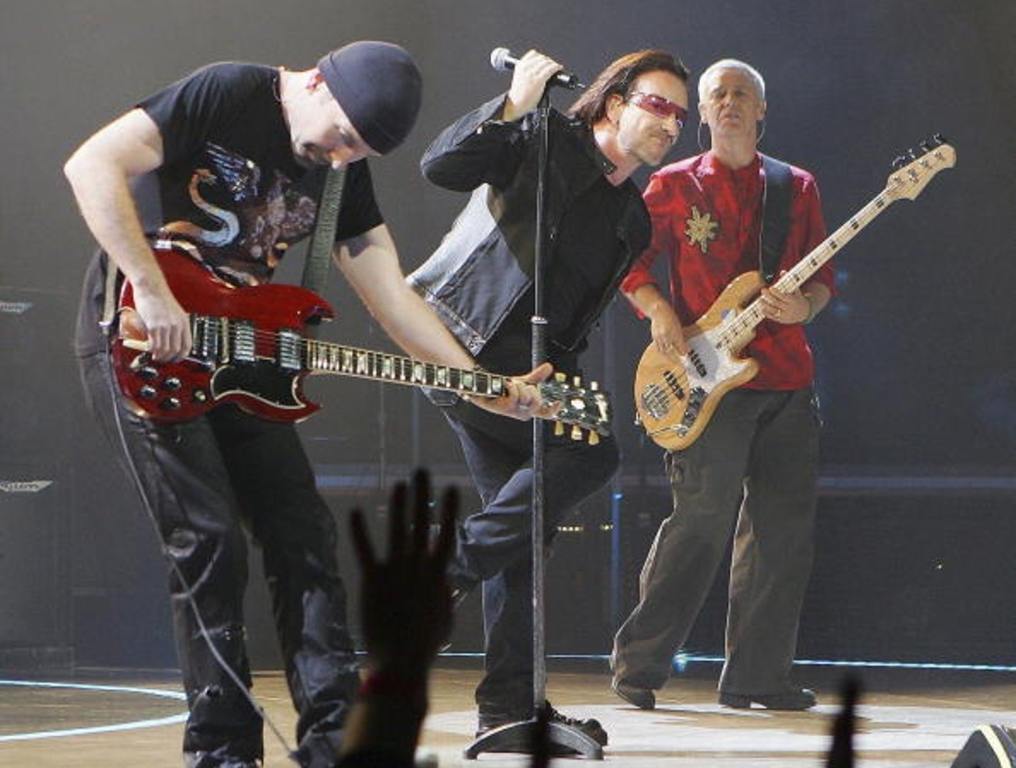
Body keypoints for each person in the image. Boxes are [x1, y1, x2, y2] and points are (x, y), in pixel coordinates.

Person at [65, 41, 542, 768]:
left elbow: (391, 296)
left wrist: (481, 383)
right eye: (345, 135)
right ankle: (221, 750)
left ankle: (339, 741)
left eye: (362, 149)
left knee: (305, 537)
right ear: (317, 82)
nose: (345, 156)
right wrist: (152, 287)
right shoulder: (227, 93)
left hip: (244, 361)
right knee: (208, 539)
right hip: (140, 340)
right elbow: (91, 164)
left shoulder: (342, 172)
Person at [409, 48, 690, 745]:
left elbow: (573, 319)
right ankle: (452, 568)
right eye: (656, 105)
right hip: (461, 346)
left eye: (679, 117)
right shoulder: (542, 136)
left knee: (527, 536)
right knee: (594, 455)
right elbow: (441, 167)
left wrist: (553, 381)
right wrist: (514, 104)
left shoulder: (633, 218)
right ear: (615, 103)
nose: (669, 124)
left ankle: (507, 706)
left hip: (533, 373)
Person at [610, 58, 834, 712]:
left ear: (762, 110)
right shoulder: (672, 186)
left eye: (742, 95)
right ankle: (640, 667)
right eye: (717, 96)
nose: (729, 103)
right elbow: (633, 265)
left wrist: (808, 307)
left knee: (780, 535)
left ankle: (757, 678)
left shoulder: (797, 186)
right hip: (706, 380)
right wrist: (657, 312)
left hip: (786, 377)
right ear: (701, 113)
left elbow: (825, 278)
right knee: (699, 524)